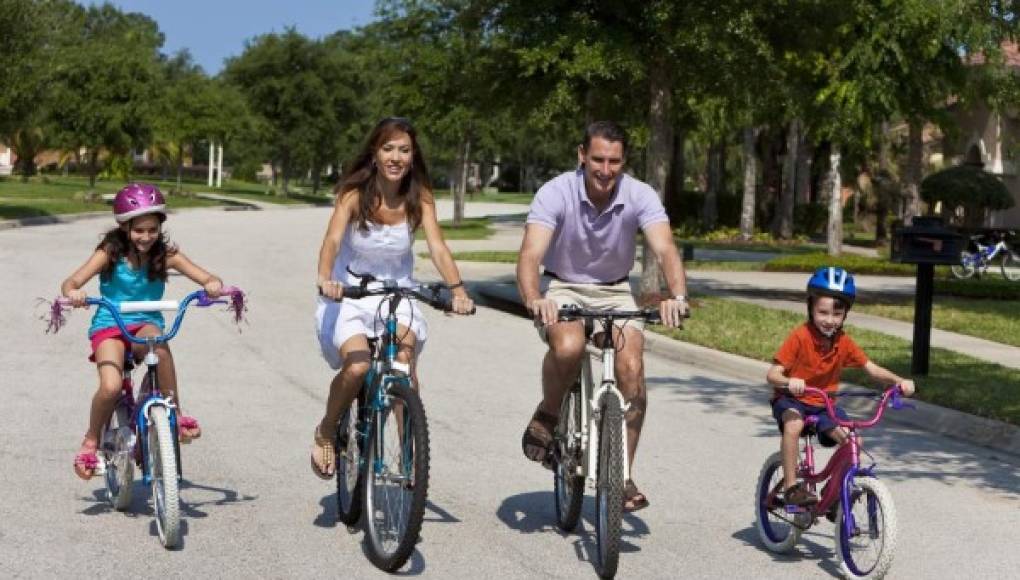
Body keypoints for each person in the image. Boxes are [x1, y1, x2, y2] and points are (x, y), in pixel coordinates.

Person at [517, 120, 689, 512]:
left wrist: (676, 295)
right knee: (569, 345)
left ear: (624, 160)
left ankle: (623, 475)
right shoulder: (556, 192)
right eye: (597, 159)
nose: (605, 170)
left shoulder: (639, 194)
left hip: (615, 291)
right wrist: (534, 298)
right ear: (582, 155)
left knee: (631, 369)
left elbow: (665, 249)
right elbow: (530, 255)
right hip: (564, 287)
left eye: (614, 161)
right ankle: (548, 413)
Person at [313, 117, 474, 479]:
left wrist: (458, 290)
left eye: (404, 149)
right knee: (357, 367)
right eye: (388, 148)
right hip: (353, 293)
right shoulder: (354, 195)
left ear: (413, 156)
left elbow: (437, 247)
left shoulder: (421, 199)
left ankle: (408, 456)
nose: (396, 157)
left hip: (399, 292)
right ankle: (326, 430)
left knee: (404, 364)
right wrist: (326, 279)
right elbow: (333, 241)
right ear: (375, 153)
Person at [61, 183, 225, 480]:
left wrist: (212, 284)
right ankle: (90, 440)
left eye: (152, 230)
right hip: (110, 324)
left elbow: (207, 276)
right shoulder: (108, 253)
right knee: (110, 387)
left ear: (160, 227)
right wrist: (74, 293)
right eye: (139, 230)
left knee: (158, 345)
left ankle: (173, 411)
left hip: (145, 321)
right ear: (124, 227)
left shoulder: (167, 255)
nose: (146, 237)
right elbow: (71, 282)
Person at [765, 266, 917, 506]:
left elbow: (871, 368)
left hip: (823, 404)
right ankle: (792, 487)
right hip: (792, 399)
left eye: (837, 314)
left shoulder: (843, 342)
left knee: (855, 441)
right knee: (793, 424)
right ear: (811, 308)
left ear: (845, 314)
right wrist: (788, 381)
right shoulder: (800, 336)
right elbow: (772, 374)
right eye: (822, 312)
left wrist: (899, 383)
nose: (829, 320)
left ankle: (834, 494)